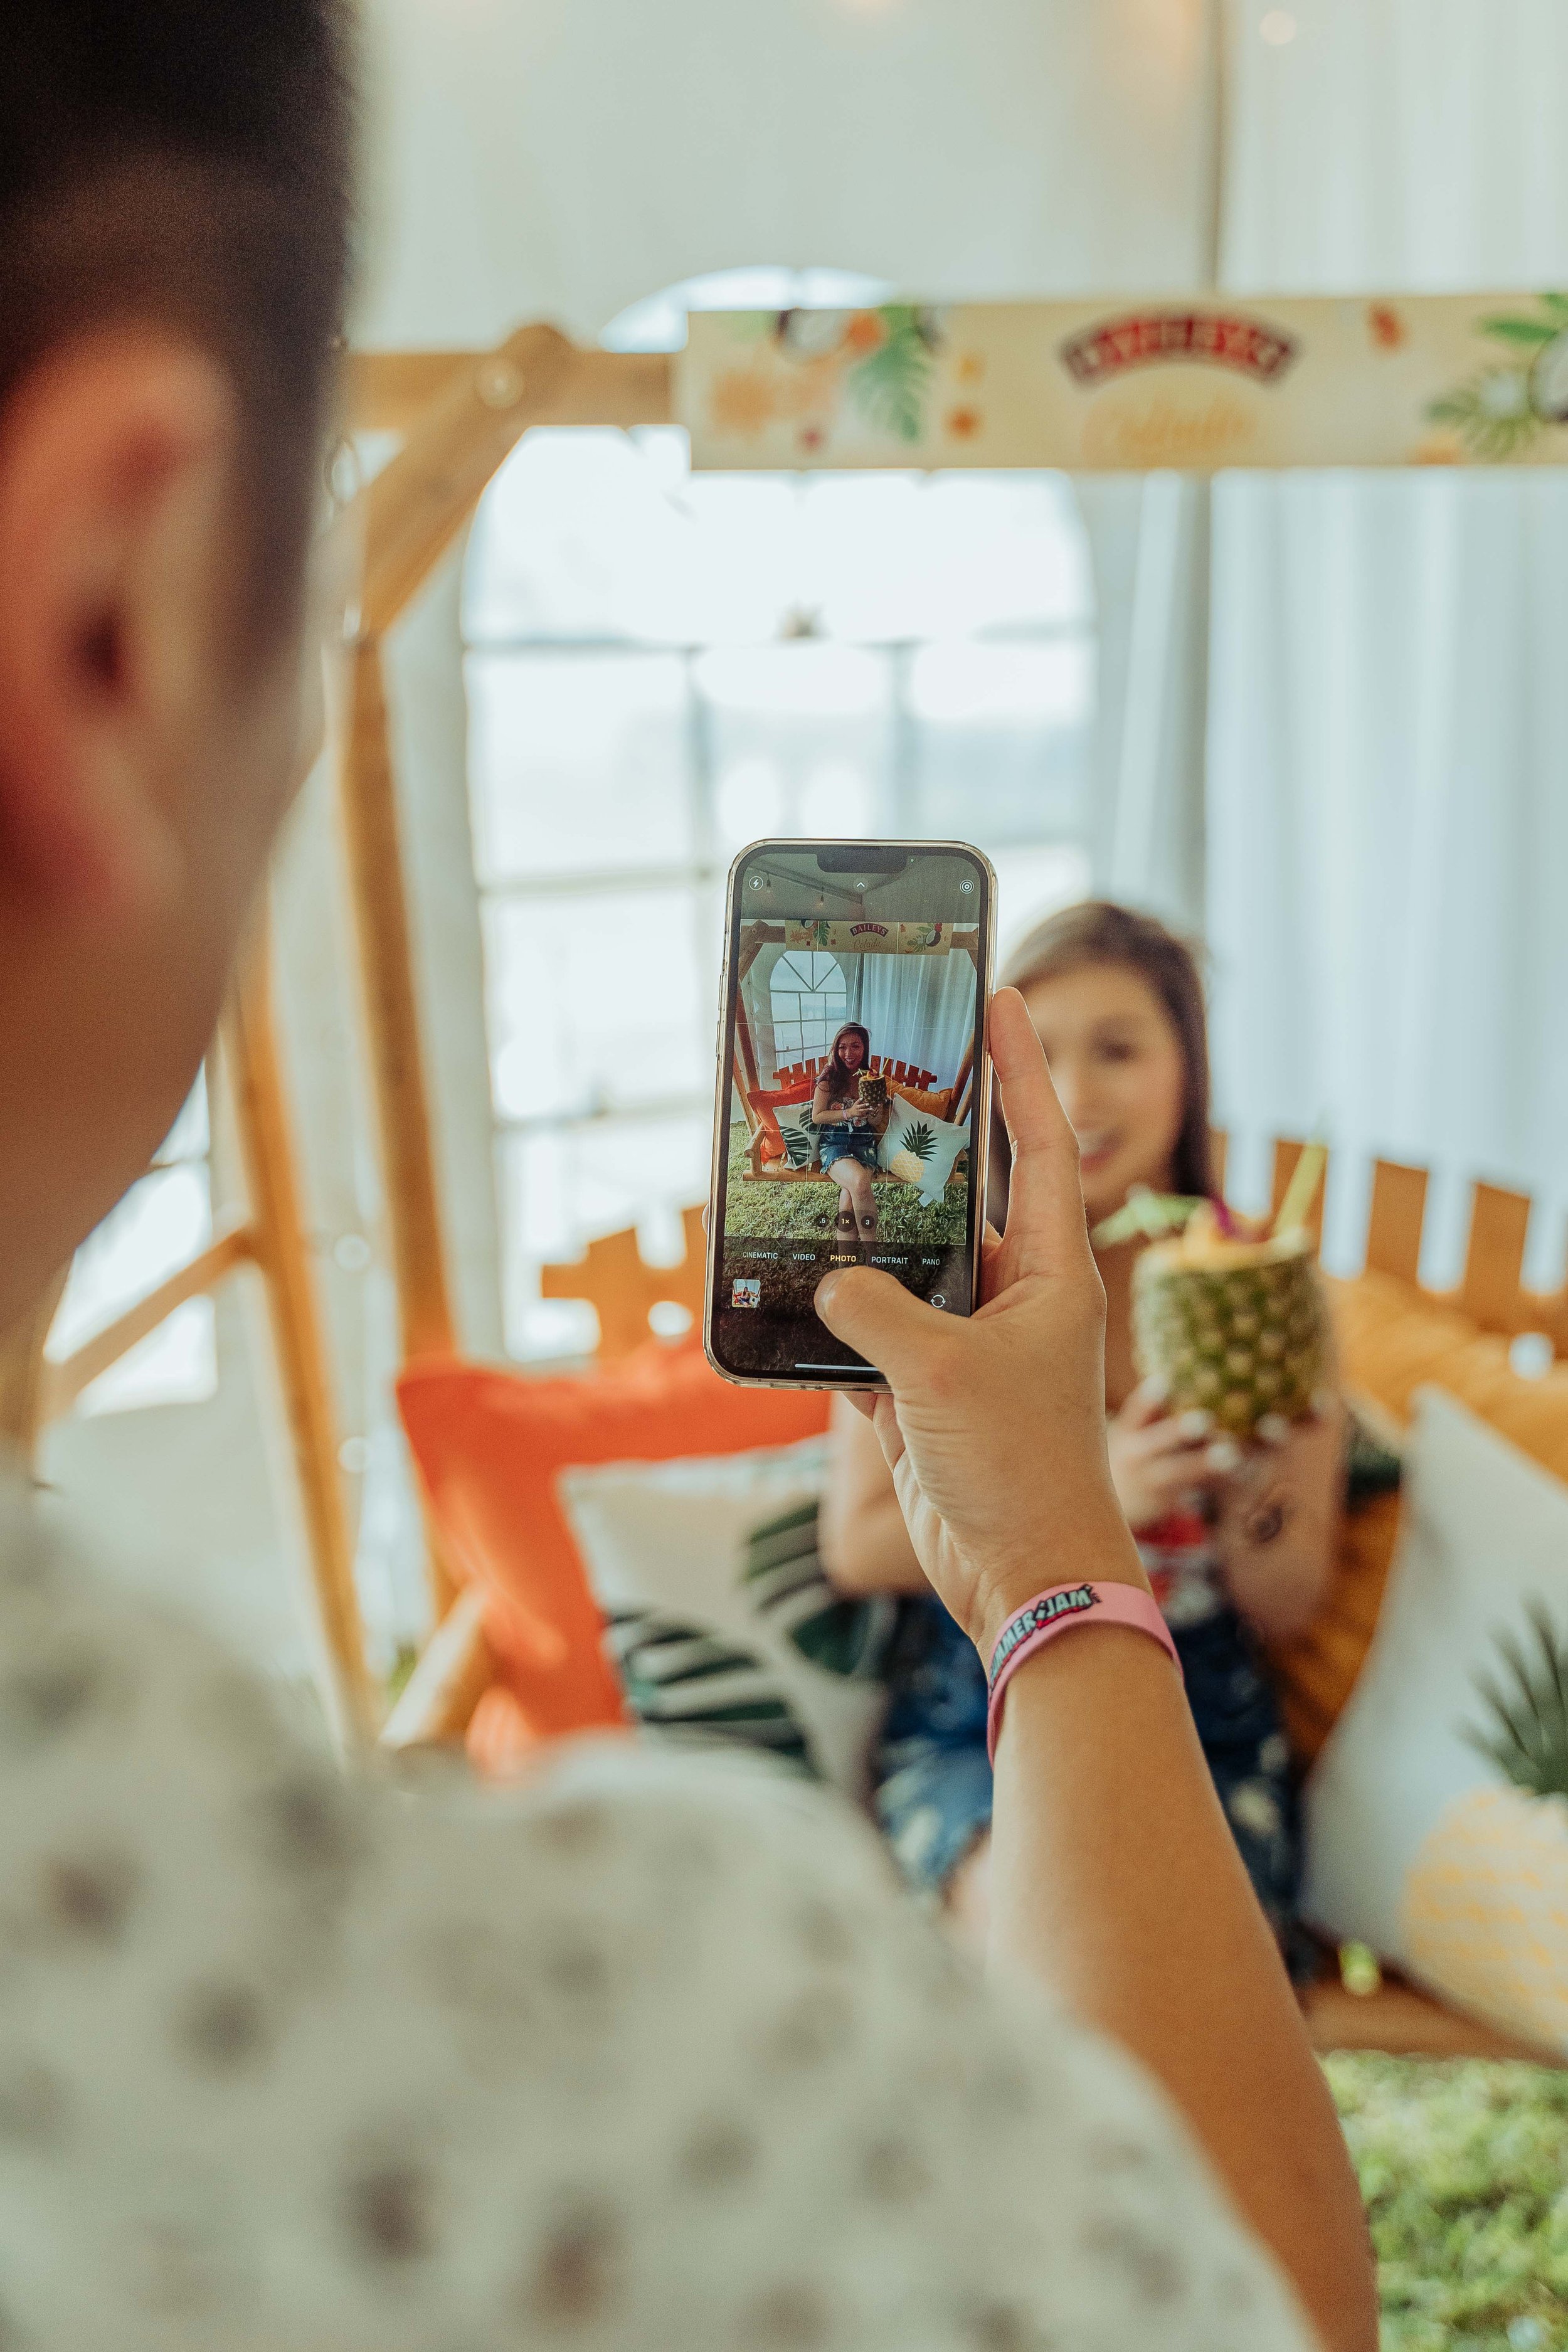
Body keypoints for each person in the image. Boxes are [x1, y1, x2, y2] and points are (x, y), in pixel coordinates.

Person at [0, 9, 1376, 2347]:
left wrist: (1237, 1489)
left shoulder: (1238, 1275)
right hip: (1000, 1717)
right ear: (106, 604)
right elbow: (1254, 2298)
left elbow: (1301, 1532)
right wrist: (1050, 1542)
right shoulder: (645, 2041)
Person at [822, 904, 1344, 1952]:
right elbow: (859, 1543)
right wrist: (1087, 1493)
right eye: (1041, 1053)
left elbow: (1286, 1606)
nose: (1076, 1091)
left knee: (1189, 1962)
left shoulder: (1261, 1293)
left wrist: (1264, 1490)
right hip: (978, 1705)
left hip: (1201, 1714)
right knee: (1050, 1949)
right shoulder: (945, 1279)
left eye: (1120, 1050)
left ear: (1186, 1071)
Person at [811, 1020, 890, 1253]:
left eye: (855, 1046)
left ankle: (846, 1260)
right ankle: (872, 1256)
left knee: (851, 1191)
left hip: (864, 1144)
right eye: (842, 1047)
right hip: (835, 1145)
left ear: (865, 1048)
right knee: (859, 1182)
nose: (848, 1053)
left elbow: (875, 1123)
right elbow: (818, 1116)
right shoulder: (829, 1079)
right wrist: (849, 1113)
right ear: (835, 1049)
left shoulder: (871, 1079)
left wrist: (875, 1112)